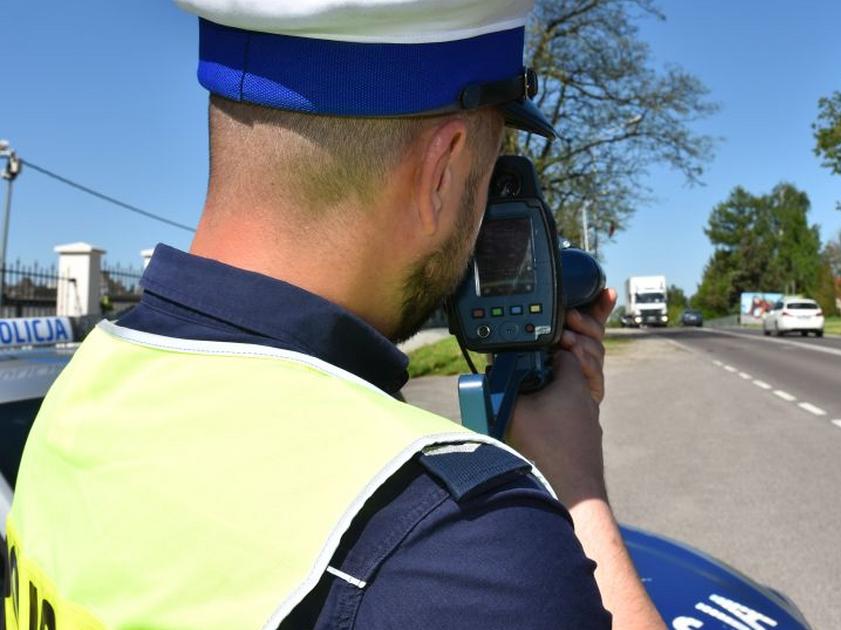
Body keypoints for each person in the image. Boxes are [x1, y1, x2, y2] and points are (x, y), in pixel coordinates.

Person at [3, 1, 664, 628]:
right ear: (443, 168)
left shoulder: (74, 394)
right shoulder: (457, 539)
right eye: (488, 172)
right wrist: (576, 487)